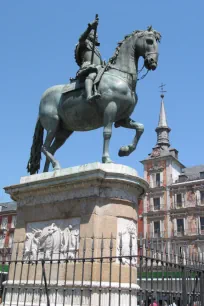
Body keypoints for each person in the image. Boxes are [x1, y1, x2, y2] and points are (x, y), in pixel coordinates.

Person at [75, 16, 103, 103]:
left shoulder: (96, 50)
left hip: (99, 67)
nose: (96, 36)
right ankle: (89, 96)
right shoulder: (85, 43)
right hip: (88, 66)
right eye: (95, 35)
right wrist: (90, 27)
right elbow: (81, 38)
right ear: (89, 36)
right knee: (92, 74)